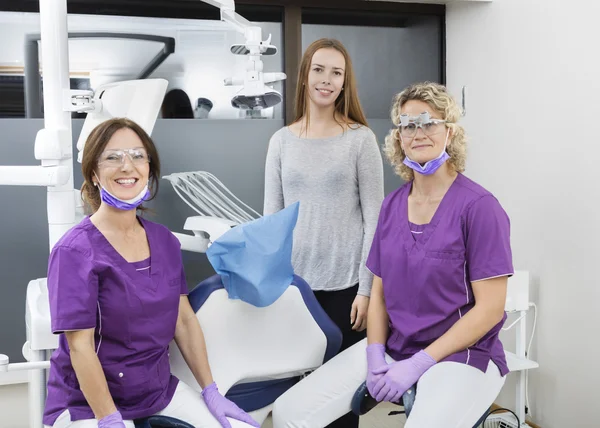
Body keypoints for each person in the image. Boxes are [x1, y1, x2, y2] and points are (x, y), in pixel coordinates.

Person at [271, 82, 512, 428]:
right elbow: (380, 293)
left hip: (463, 355)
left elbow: (490, 309)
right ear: (399, 138)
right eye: (409, 125)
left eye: (430, 122)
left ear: (450, 131)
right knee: (291, 411)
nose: (419, 132)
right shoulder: (393, 206)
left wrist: (418, 364)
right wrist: (373, 354)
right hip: (396, 348)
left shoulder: (479, 208)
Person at [42, 118, 259, 428]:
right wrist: (109, 418)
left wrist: (211, 391)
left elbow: (183, 321)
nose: (127, 166)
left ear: (149, 169)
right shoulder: (74, 252)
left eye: (137, 155)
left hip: (154, 391)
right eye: (112, 157)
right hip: (86, 404)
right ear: (93, 173)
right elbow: (80, 347)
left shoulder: (164, 241)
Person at [263, 38, 384, 428]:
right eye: (319, 69)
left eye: (337, 73)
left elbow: (376, 222)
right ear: (305, 77)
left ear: (345, 83)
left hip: (347, 290)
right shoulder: (281, 142)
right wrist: (273, 285)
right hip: (294, 290)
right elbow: (272, 221)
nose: (326, 80)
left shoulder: (360, 140)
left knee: (336, 404)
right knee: (293, 399)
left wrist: (367, 290)